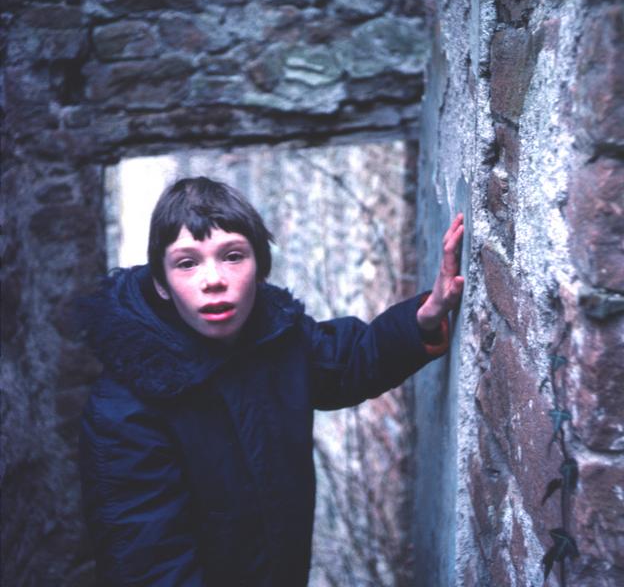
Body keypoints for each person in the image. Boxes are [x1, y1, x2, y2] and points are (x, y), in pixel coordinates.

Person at [79, 176, 464, 587]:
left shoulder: (280, 338)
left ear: (260, 268)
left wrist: (424, 318)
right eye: (187, 263)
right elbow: (148, 565)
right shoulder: (124, 408)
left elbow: (348, 361)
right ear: (161, 282)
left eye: (232, 256)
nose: (213, 279)